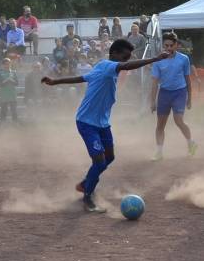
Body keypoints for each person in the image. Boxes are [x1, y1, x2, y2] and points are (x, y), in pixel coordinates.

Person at [41, 39, 170, 212]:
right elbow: (126, 67)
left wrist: (55, 82)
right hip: (87, 122)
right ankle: (87, 197)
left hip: (102, 123)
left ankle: (86, 183)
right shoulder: (109, 65)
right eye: (124, 56)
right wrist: (155, 59)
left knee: (109, 157)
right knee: (100, 162)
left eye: (128, 57)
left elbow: (81, 78)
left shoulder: (102, 68)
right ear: (114, 54)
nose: (126, 60)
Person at [148, 31, 197, 159]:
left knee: (178, 120)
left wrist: (189, 98)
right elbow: (154, 83)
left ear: (176, 45)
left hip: (180, 92)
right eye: (166, 45)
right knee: (160, 125)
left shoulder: (183, 59)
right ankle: (159, 152)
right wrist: (152, 102)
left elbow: (187, 80)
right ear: (163, 46)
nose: (168, 48)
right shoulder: (158, 61)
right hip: (164, 93)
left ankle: (191, 143)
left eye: (171, 45)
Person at [0, 57, 19, 122]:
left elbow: (17, 83)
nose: (7, 65)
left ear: (10, 64)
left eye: (9, 64)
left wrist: (11, 80)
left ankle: (16, 124)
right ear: (3, 65)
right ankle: (2, 125)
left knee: (14, 111)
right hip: (4, 95)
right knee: (3, 111)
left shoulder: (13, 72)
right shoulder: (0, 74)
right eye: (6, 64)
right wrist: (6, 80)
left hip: (12, 94)